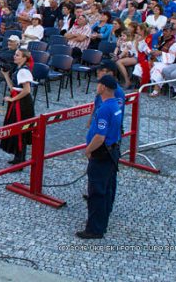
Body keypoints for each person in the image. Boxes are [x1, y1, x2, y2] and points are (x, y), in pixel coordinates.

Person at [77, 75, 123, 240]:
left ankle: (95, 229)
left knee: (97, 191)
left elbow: (99, 137)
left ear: (103, 87)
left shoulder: (105, 108)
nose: (97, 86)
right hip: (112, 151)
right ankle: (102, 220)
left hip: (102, 153)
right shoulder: (116, 104)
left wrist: (88, 150)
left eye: (99, 84)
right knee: (108, 187)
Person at [0, 49, 35, 164]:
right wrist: (5, 75)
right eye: (15, 54)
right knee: (16, 126)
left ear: (24, 58)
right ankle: (18, 156)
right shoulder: (18, 70)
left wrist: (13, 99)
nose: (14, 56)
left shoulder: (23, 71)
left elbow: (27, 90)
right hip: (18, 101)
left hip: (22, 103)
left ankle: (20, 158)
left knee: (20, 128)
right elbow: (13, 87)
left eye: (17, 55)